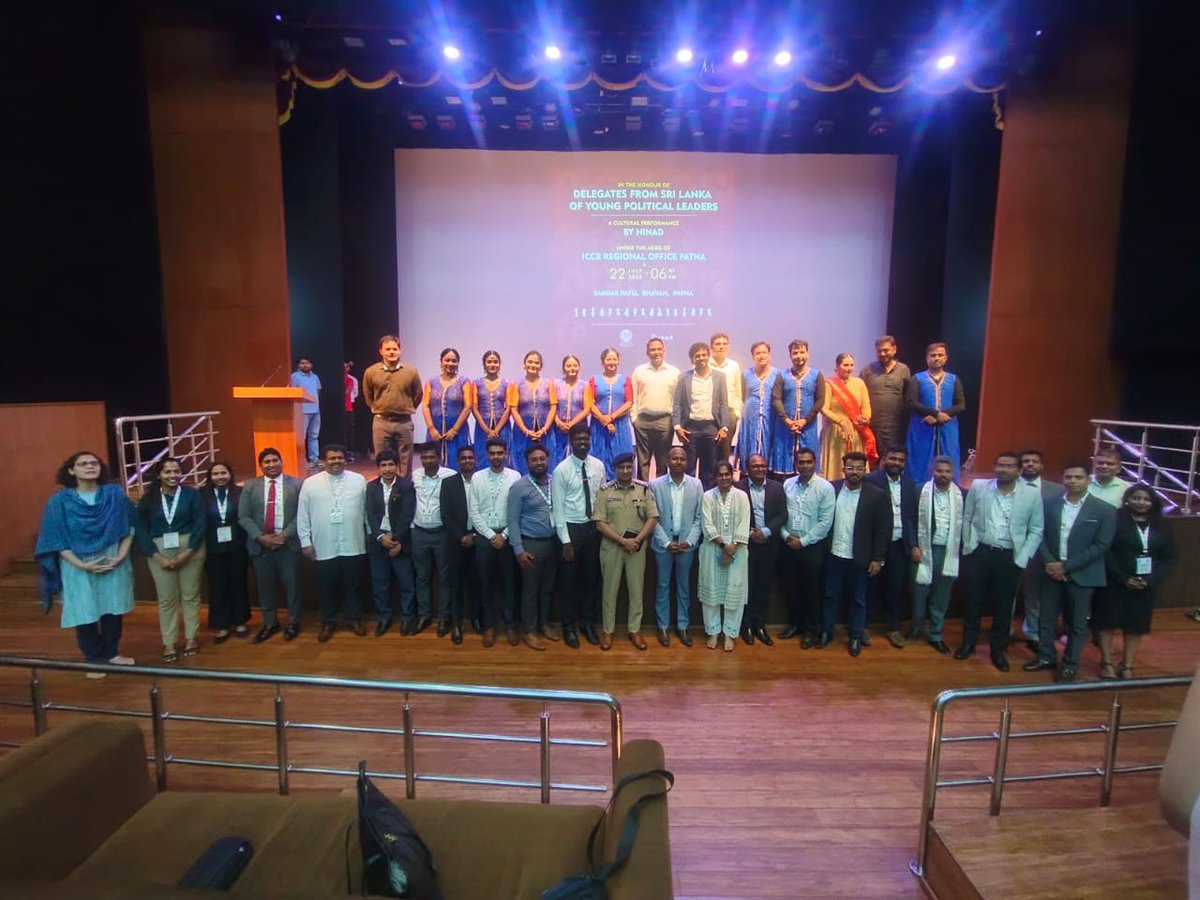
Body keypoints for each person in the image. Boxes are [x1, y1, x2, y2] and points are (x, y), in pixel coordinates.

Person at [34, 451, 137, 674]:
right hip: (76, 563)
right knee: (84, 610)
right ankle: (94, 659)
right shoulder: (59, 501)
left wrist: (120, 556)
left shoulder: (114, 494)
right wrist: (81, 565)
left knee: (113, 607)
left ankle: (112, 653)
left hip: (112, 558)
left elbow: (131, 526)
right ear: (71, 470)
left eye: (94, 463)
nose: (90, 467)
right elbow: (55, 538)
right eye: (83, 464)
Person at [1023, 462, 1117, 682]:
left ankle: (1070, 663)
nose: (1073, 481)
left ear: (1087, 480)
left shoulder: (1105, 510)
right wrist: (1051, 563)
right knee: (1046, 618)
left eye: (1078, 477)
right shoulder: (1049, 504)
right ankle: (1046, 656)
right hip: (1050, 571)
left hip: (1083, 574)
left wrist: (1066, 566)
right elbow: (1040, 535)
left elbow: (1101, 545)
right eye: (1068, 477)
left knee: (1076, 623)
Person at [959, 451, 1046, 671]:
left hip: (1010, 556)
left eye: (1009, 466)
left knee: (1004, 605)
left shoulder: (1031, 494)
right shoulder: (979, 486)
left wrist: (1023, 557)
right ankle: (968, 643)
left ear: (1018, 470)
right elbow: (967, 517)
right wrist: (969, 546)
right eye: (1000, 465)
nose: (1003, 469)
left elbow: (1036, 529)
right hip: (980, 551)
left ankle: (997, 650)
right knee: (973, 600)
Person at [1094, 485, 1176, 680]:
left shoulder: (1162, 525)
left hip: (1145, 584)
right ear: (1127, 500)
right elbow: (1106, 552)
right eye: (1136, 498)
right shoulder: (1115, 520)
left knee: (1135, 625)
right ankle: (1106, 662)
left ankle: (1128, 664)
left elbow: (1169, 557)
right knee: (1107, 622)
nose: (1141, 502)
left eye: (1146, 499)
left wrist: (1149, 580)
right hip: (1114, 582)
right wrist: (1124, 578)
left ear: (1153, 502)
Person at [136, 457, 207, 662]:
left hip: (191, 549)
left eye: (176, 471)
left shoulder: (191, 495)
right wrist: (156, 556)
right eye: (167, 472)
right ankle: (169, 642)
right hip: (159, 551)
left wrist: (188, 552)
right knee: (167, 599)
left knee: (191, 595)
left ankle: (192, 638)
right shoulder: (148, 499)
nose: (173, 475)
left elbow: (200, 523)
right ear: (158, 474)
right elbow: (141, 529)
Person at [297, 444, 369, 642]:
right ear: (323, 461)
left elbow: (367, 513)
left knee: (353, 585)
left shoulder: (359, 480)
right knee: (326, 587)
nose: (336, 461)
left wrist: (370, 536)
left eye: (340, 458)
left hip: (353, 543)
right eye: (332, 458)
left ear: (346, 460)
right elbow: (302, 516)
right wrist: (305, 542)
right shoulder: (310, 484)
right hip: (324, 545)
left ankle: (354, 619)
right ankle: (328, 622)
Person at [822, 452, 891, 656]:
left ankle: (855, 636)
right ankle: (826, 632)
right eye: (850, 468)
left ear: (865, 469)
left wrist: (878, 558)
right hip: (833, 554)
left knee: (858, 599)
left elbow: (882, 530)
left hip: (860, 557)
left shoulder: (876, 495)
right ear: (843, 469)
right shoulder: (831, 489)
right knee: (829, 595)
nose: (855, 472)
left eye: (859, 468)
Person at [594, 452, 659, 651]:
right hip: (612, 547)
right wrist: (623, 541)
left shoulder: (644, 489)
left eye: (629, 467)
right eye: (621, 468)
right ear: (615, 469)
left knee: (636, 591)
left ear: (633, 468)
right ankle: (608, 631)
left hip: (636, 549)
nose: (625, 471)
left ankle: (635, 630)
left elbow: (653, 518)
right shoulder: (605, 491)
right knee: (609, 592)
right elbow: (599, 523)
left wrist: (636, 540)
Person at [238, 447, 303, 643]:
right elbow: (244, 517)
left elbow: (302, 514)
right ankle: (270, 622)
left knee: (293, 585)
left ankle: (294, 622)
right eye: (267, 461)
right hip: (261, 546)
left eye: (275, 460)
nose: (272, 464)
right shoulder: (249, 486)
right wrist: (260, 537)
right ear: (261, 465)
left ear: (282, 462)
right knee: (265, 586)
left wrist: (284, 535)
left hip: (288, 544)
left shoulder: (297, 485)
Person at [552, 423, 607, 648]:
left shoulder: (599, 465)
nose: (582, 442)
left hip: (593, 530)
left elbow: (601, 497)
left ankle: (587, 624)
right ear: (571, 442)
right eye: (578, 439)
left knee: (591, 581)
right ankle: (569, 627)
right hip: (571, 532)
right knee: (568, 584)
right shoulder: (561, 470)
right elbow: (558, 509)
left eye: (585, 438)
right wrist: (565, 541)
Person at [779, 447, 835, 647]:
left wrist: (802, 542)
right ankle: (795, 624)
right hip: (788, 544)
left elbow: (825, 523)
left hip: (812, 547)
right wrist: (785, 536)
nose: (805, 466)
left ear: (815, 463)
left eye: (809, 462)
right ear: (795, 464)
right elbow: (781, 514)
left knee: (812, 591)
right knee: (791, 589)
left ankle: (811, 630)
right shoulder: (787, 485)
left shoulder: (825, 488)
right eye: (801, 462)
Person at [909, 456, 965, 655]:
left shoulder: (961, 495)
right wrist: (913, 545)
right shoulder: (918, 491)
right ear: (932, 472)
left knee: (941, 596)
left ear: (953, 473)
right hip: (924, 549)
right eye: (939, 471)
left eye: (947, 472)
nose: (943, 475)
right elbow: (909, 521)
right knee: (919, 592)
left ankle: (936, 634)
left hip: (949, 551)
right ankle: (916, 627)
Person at [468, 437, 522, 647]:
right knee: (486, 582)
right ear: (487, 454)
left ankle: (510, 625)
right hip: (485, 538)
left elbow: (517, 511)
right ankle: (489, 626)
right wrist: (491, 536)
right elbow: (474, 512)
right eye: (493, 453)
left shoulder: (515, 476)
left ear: (506, 454)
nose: (496, 457)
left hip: (508, 536)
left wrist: (505, 535)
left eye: (500, 453)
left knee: (509, 583)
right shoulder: (478, 478)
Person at [507, 444, 560, 650]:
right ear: (527, 463)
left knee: (547, 589)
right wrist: (518, 549)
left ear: (548, 459)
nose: (539, 463)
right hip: (530, 545)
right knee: (530, 591)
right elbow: (512, 520)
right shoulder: (519, 487)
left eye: (542, 459)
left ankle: (544, 624)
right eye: (534, 460)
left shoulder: (555, 483)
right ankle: (529, 631)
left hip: (552, 543)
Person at [649, 445, 703, 648]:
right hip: (663, 545)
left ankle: (683, 625)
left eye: (682, 459)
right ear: (667, 462)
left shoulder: (696, 485)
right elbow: (652, 517)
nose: (679, 462)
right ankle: (662, 626)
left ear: (687, 462)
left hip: (686, 545)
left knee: (683, 586)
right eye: (675, 459)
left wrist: (689, 541)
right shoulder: (655, 485)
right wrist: (666, 542)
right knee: (662, 585)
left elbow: (699, 518)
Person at [864, 446, 918, 648]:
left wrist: (913, 544)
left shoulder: (910, 485)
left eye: (901, 460)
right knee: (869, 588)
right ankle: (862, 627)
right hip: (874, 545)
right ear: (884, 459)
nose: (896, 463)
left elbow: (911, 517)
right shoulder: (870, 480)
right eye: (893, 458)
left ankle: (893, 628)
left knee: (895, 590)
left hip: (898, 545)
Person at [699, 460, 751, 652]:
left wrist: (734, 545)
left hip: (738, 549)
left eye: (727, 474)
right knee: (712, 592)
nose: (724, 478)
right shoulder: (707, 496)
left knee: (733, 594)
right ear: (715, 476)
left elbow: (744, 522)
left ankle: (730, 633)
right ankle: (713, 631)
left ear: (732, 475)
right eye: (720, 474)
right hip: (713, 548)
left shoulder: (742, 496)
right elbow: (707, 524)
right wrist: (723, 545)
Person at [364, 449, 415, 638]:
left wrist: (396, 540)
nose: (387, 469)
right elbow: (370, 515)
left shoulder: (407, 486)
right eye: (383, 465)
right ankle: (384, 617)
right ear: (378, 468)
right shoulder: (371, 487)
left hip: (400, 543)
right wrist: (381, 537)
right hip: (379, 544)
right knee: (380, 584)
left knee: (406, 583)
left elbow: (407, 514)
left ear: (397, 466)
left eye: (391, 464)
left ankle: (407, 618)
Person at [736, 454, 786, 645]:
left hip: (769, 545)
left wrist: (765, 532)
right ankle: (746, 625)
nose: (759, 469)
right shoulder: (738, 487)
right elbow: (734, 515)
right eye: (755, 466)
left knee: (763, 587)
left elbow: (782, 514)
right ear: (747, 469)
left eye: (762, 466)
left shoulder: (777, 487)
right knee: (746, 586)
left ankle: (760, 624)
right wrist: (750, 533)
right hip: (745, 544)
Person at [1016, 449, 1062, 652]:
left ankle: (1033, 633)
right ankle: (1002, 630)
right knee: (1008, 593)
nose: (1030, 464)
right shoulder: (1009, 486)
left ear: (1042, 466)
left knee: (1034, 594)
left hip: (1042, 551)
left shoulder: (1057, 490)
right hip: (1012, 548)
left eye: (1035, 461)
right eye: (1026, 461)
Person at [410, 442, 455, 636]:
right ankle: (424, 615)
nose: (428, 461)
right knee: (421, 578)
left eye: (432, 457)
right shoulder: (415, 475)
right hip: (419, 533)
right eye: (424, 457)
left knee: (445, 578)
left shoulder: (450, 476)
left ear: (440, 457)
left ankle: (444, 618)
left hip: (442, 533)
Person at [202, 460, 249, 644]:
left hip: (237, 546)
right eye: (216, 474)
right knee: (218, 586)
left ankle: (240, 621)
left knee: (238, 583)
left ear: (230, 474)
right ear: (210, 477)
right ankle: (222, 625)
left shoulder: (240, 493)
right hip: (213, 548)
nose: (220, 477)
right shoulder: (202, 496)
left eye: (223, 473)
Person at [363, 334, 423, 477]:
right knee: (383, 459)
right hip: (381, 422)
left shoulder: (411, 372)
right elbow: (368, 396)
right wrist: (380, 408)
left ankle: (405, 490)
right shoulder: (371, 372)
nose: (391, 352)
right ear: (381, 351)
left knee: (405, 460)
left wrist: (404, 407)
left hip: (404, 421)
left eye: (395, 349)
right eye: (388, 349)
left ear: (400, 351)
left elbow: (418, 395)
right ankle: (385, 490)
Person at [673, 341, 730, 489]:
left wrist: (724, 427)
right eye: (697, 356)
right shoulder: (683, 377)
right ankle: (691, 500)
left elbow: (724, 404)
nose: (701, 358)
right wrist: (677, 426)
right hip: (690, 428)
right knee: (689, 467)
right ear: (692, 359)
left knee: (709, 469)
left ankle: (706, 501)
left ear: (709, 356)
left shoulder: (719, 377)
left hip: (711, 427)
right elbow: (677, 404)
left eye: (704, 355)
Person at [905, 343, 966, 482]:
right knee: (918, 459)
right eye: (933, 355)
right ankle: (917, 493)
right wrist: (935, 414)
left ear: (946, 358)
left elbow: (961, 405)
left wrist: (941, 416)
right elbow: (910, 402)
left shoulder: (953, 379)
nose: (936, 358)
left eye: (940, 355)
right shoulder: (917, 378)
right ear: (927, 358)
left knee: (948, 457)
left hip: (947, 426)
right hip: (922, 425)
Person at [440, 444, 477, 644]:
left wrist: (475, 536)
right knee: (456, 586)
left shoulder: (482, 480)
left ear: (476, 460)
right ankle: (456, 624)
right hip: (456, 542)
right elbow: (445, 515)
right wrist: (461, 537)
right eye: (463, 458)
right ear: (458, 461)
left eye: (470, 458)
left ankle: (476, 619)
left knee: (476, 584)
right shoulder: (448, 483)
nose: (467, 461)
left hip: (479, 540)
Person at [770, 340, 824, 478]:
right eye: (795, 353)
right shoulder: (782, 376)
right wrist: (787, 420)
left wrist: (805, 421)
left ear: (808, 353)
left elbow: (820, 400)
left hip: (808, 426)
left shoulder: (816, 375)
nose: (799, 356)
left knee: (807, 464)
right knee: (784, 468)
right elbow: (776, 399)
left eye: (802, 352)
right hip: (785, 427)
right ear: (790, 355)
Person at [630, 337, 680, 480]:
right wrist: (634, 419)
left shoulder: (674, 372)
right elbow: (633, 396)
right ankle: (642, 492)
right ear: (647, 352)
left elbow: (677, 401)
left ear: (664, 351)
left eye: (659, 349)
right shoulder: (639, 371)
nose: (656, 352)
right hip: (643, 421)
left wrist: (674, 421)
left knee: (663, 460)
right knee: (642, 460)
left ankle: (659, 492)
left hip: (665, 421)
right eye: (653, 349)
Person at [820, 353, 876, 477]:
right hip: (835, 431)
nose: (849, 368)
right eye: (845, 365)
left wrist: (865, 417)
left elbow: (866, 405)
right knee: (837, 465)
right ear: (837, 367)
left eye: (851, 365)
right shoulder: (829, 384)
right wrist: (841, 422)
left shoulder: (859, 383)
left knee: (855, 463)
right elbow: (823, 408)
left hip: (856, 430)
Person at [421, 347, 474, 471]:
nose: (450, 364)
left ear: (458, 363)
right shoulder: (431, 381)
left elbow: (468, 406)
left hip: (457, 431)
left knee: (457, 463)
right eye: (447, 360)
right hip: (435, 431)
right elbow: (425, 405)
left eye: (454, 361)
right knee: (433, 463)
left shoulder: (464, 381)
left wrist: (454, 431)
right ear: (441, 361)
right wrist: (431, 429)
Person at [860, 336, 911, 457]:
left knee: (892, 457)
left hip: (895, 425)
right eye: (879, 351)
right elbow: (859, 395)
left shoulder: (903, 370)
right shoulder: (868, 370)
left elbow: (908, 397)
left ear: (894, 349)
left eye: (886, 350)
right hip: (871, 424)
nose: (882, 354)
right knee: (871, 459)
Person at [508, 350, 557, 476]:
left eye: (536, 363)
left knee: (547, 464)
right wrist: (525, 430)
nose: (533, 365)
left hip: (545, 433)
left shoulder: (549, 384)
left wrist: (545, 428)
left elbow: (553, 407)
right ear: (524, 364)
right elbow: (514, 409)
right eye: (530, 362)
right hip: (522, 433)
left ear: (541, 366)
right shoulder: (516, 385)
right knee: (523, 464)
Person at [589, 348, 634, 479]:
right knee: (599, 457)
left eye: (614, 359)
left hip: (620, 426)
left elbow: (629, 402)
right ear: (603, 362)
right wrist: (604, 420)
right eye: (608, 359)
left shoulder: (626, 379)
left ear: (618, 361)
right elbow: (590, 403)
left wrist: (612, 417)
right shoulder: (594, 380)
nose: (612, 362)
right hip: (598, 426)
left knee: (621, 457)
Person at [739, 342, 779, 474]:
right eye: (758, 353)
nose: (761, 356)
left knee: (769, 446)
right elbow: (744, 394)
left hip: (771, 418)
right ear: (752, 356)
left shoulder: (778, 374)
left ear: (769, 354)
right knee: (750, 447)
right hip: (750, 418)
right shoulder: (746, 374)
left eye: (764, 352)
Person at [472, 350, 512, 467]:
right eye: (489, 362)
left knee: (503, 457)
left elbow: (508, 408)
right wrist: (487, 430)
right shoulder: (476, 383)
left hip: (503, 427)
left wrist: (497, 430)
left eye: (495, 362)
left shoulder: (507, 383)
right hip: (482, 428)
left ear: (499, 364)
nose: (492, 364)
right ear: (484, 364)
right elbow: (474, 408)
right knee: (483, 457)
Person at [709, 333, 745, 466]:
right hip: (710, 414)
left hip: (729, 413)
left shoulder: (733, 366)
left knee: (724, 451)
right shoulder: (705, 363)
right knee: (710, 451)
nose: (721, 347)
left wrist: (736, 413)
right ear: (711, 347)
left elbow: (737, 391)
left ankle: (724, 483)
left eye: (724, 344)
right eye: (718, 344)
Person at [551, 354, 591, 464]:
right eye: (568, 366)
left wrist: (572, 424)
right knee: (558, 457)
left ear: (579, 367)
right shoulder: (555, 384)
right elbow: (552, 406)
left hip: (578, 429)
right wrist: (559, 423)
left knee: (579, 456)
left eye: (575, 365)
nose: (572, 368)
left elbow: (587, 408)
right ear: (563, 368)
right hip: (559, 429)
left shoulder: (585, 385)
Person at [290, 356, 322, 468]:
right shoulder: (294, 377)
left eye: (307, 363)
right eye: (302, 363)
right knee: (301, 436)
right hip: (302, 411)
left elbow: (318, 392)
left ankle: (314, 459)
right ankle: (301, 460)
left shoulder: (315, 377)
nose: (305, 365)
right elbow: (292, 393)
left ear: (311, 365)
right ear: (298, 365)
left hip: (315, 410)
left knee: (314, 436)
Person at [343, 361, 359, 462]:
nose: (345, 369)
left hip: (348, 407)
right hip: (337, 408)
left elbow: (351, 392)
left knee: (349, 431)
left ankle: (350, 452)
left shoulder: (351, 379)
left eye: (346, 367)